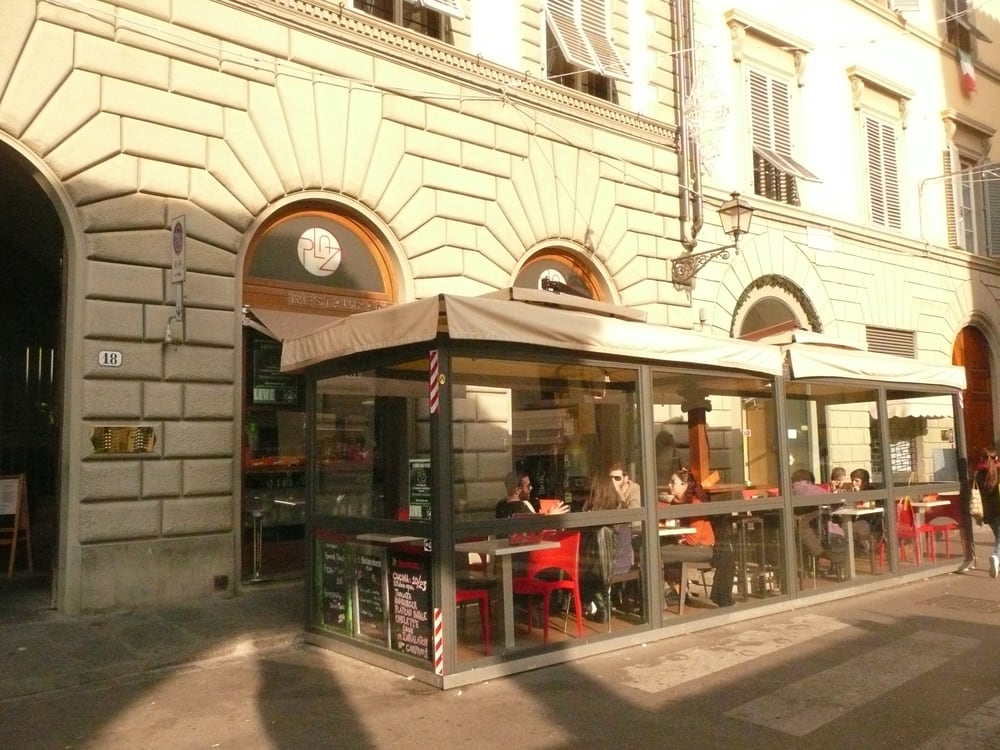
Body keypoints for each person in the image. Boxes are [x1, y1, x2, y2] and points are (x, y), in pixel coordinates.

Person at [579, 474, 634, 621]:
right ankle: (599, 602)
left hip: (606, 567)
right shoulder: (620, 507)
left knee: (581, 569)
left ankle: (597, 604)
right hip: (623, 562)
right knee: (588, 567)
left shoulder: (595, 515)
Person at [660, 468, 715, 606]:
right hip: (685, 545)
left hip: (702, 548)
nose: (669, 485)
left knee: (658, 553)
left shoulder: (695, 504)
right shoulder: (676, 503)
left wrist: (676, 534)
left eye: (673, 482)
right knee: (660, 549)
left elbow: (693, 539)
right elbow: (669, 523)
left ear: (684, 485)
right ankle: (679, 592)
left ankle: (674, 592)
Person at [495, 471, 569, 519]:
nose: (531, 488)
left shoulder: (501, 505)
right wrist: (551, 516)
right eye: (528, 486)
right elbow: (535, 530)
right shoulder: (521, 507)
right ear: (518, 490)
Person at [974, 445, 1000, 578]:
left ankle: (997, 562)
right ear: (996, 458)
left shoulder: (978, 474)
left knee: (998, 537)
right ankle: (996, 557)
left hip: (988, 513)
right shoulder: (999, 471)